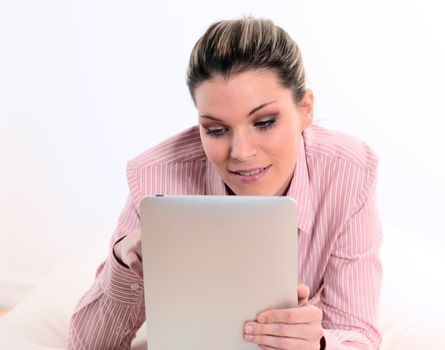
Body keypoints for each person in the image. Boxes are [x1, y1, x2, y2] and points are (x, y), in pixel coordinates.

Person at [69, 17, 382, 350]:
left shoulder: (348, 171)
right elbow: (87, 346)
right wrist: (123, 261)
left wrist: (318, 344)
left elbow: (357, 335)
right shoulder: (156, 177)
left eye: (264, 122)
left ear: (305, 109)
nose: (242, 153)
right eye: (216, 130)